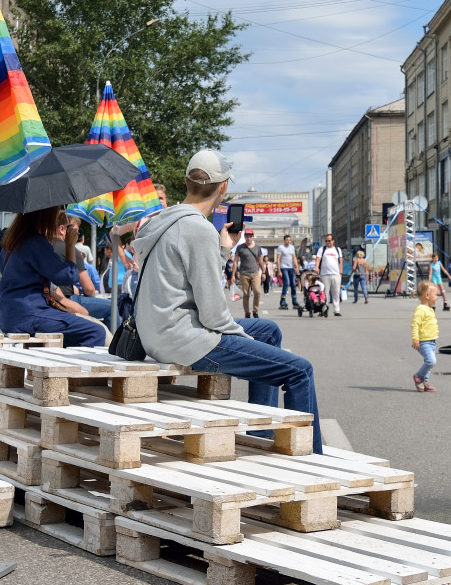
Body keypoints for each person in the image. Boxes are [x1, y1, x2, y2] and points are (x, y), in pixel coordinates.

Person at [133, 150, 321, 452]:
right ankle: (311, 465)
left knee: (269, 330)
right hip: (185, 340)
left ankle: (261, 437)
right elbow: (214, 315)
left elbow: (186, 281)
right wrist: (246, 342)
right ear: (223, 187)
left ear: (186, 182)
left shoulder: (164, 221)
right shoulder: (198, 229)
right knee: (300, 370)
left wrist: (223, 250)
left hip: (156, 333)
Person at [0, 206, 108, 346]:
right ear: (46, 217)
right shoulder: (35, 243)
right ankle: (68, 367)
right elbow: (68, 276)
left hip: (8, 315)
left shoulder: (11, 243)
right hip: (30, 313)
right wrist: (70, 246)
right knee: (96, 332)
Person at [410, 282, 440, 393]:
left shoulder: (430, 309)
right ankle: (418, 376)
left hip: (432, 341)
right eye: (436, 295)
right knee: (431, 361)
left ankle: (424, 382)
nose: (437, 297)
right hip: (423, 342)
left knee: (428, 361)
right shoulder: (420, 309)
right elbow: (415, 324)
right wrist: (415, 338)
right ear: (427, 296)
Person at [233, 229, 266, 319]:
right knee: (246, 294)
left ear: (253, 237)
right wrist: (233, 275)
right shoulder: (240, 248)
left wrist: (263, 272)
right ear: (245, 237)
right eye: (247, 236)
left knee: (257, 292)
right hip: (244, 273)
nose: (248, 238)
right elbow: (235, 261)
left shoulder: (257, 248)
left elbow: (260, 260)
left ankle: (255, 311)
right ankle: (247, 313)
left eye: (250, 236)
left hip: (255, 272)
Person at [317, 232, 343, 315]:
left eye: (329, 241)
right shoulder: (322, 249)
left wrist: (340, 272)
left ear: (333, 241)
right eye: (326, 241)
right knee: (325, 293)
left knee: (336, 293)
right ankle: (324, 309)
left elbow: (340, 262)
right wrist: (316, 268)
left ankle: (336, 310)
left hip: (336, 274)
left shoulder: (337, 250)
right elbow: (318, 259)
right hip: (325, 274)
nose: (327, 242)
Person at [276, 233, 300, 309]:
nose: (288, 241)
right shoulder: (281, 248)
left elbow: (294, 257)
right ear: (284, 240)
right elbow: (278, 259)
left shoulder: (292, 247)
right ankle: (283, 300)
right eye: (287, 240)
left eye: (289, 240)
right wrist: (279, 270)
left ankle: (294, 300)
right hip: (284, 268)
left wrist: (297, 267)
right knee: (286, 283)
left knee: (293, 284)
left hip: (291, 268)